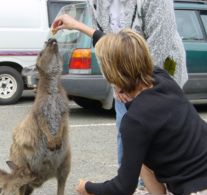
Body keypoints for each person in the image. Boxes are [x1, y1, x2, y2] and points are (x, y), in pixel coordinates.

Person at [73, 29, 206, 195]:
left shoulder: (135, 121)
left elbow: (122, 188)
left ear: (111, 73)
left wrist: (87, 187)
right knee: (144, 161)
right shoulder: (163, 79)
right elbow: (125, 58)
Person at [52, 0, 188, 169]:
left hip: (157, 77)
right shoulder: (97, 3)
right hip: (123, 82)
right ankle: (128, 183)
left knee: (159, 139)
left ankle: (158, 188)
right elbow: (104, 45)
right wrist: (116, 84)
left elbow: (159, 47)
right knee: (126, 133)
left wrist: (134, 88)